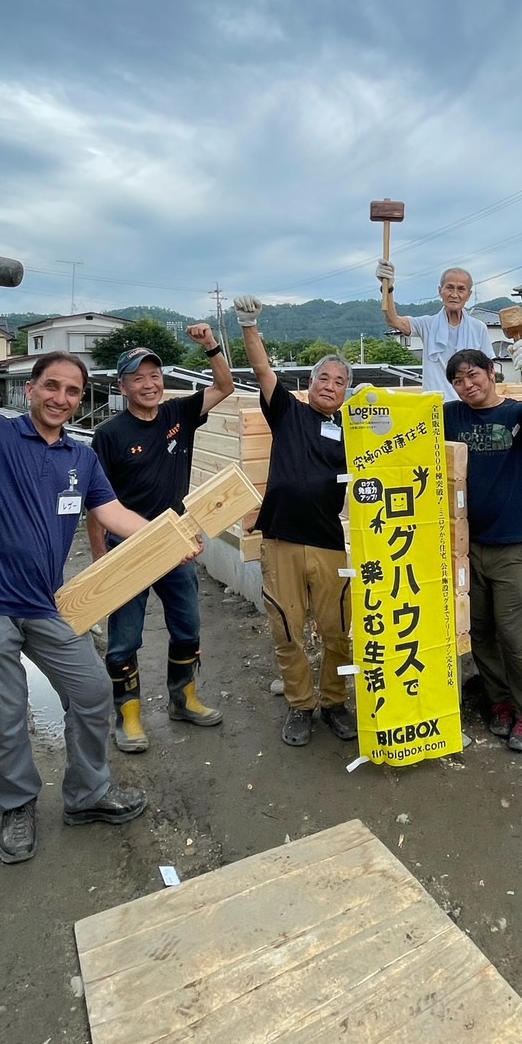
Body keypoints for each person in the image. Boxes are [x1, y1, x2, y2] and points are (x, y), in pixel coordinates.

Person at [0, 317, 178, 865]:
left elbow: (114, 513)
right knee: (5, 713)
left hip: (42, 603)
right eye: (51, 386)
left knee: (92, 692)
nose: (61, 398)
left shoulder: (81, 457)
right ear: (30, 389)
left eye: (72, 391)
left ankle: (88, 795)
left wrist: (172, 537)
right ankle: (16, 805)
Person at [88, 327, 235, 752]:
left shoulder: (178, 415)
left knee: (187, 625)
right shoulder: (110, 435)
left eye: (154, 376)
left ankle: (183, 699)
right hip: (126, 548)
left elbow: (224, 386)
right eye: (138, 378)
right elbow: (95, 504)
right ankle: (128, 715)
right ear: (123, 387)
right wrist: (100, 558)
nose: (149, 384)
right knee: (125, 637)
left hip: (176, 545)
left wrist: (210, 346)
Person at [233, 296, 357, 748]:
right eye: (324, 378)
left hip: (328, 542)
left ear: (346, 393)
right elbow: (263, 370)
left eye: (339, 382)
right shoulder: (288, 411)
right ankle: (300, 705)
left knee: (336, 630)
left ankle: (334, 702)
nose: (330, 385)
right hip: (282, 538)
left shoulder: (353, 431)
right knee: (287, 629)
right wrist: (249, 325)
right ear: (310, 383)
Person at [444, 346, 522, 751]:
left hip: (509, 544)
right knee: (480, 630)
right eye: (458, 380)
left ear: (492, 373)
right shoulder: (450, 415)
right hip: (463, 545)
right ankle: (500, 701)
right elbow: (409, 426)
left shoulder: (514, 413)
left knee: (514, 632)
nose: (466, 385)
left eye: (473, 375)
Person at [377, 261, 492, 400]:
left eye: (461, 289)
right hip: (435, 405)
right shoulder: (427, 325)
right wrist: (388, 288)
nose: (454, 294)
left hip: (470, 405)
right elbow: (393, 320)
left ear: (468, 295)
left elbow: (489, 371)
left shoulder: (479, 328)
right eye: (449, 288)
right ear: (440, 291)